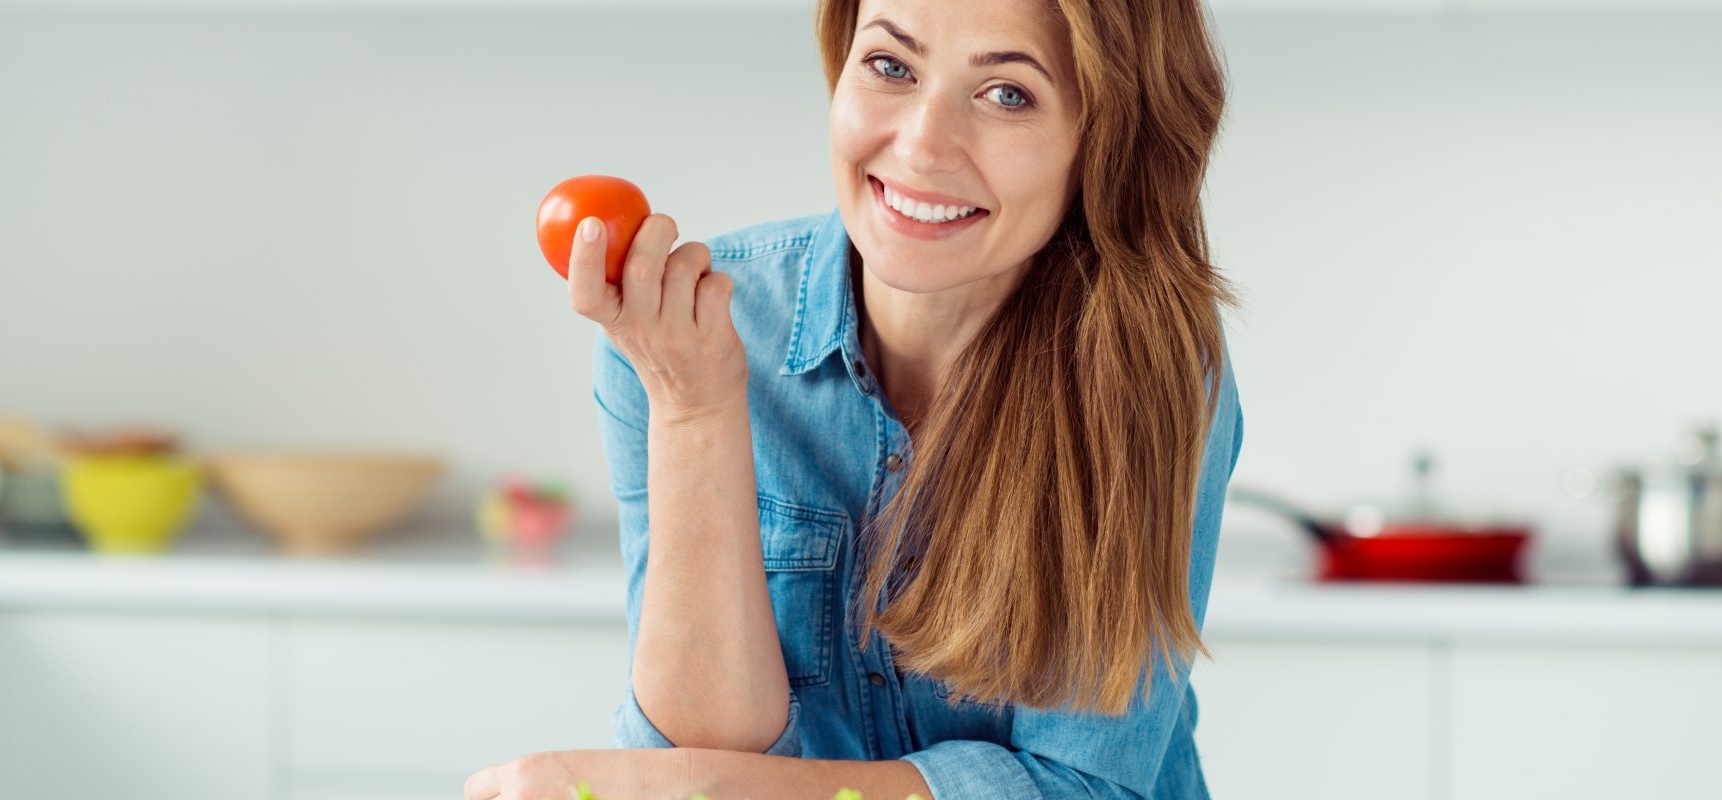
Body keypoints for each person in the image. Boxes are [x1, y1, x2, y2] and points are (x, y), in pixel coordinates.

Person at [465, 0, 1242, 797]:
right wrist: (695, 411)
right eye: (891, 66)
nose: (920, 146)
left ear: (1107, 140)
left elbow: (1086, 788)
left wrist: (633, 787)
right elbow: (702, 759)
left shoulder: (1151, 374)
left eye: (1008, 93)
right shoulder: (683, 337)